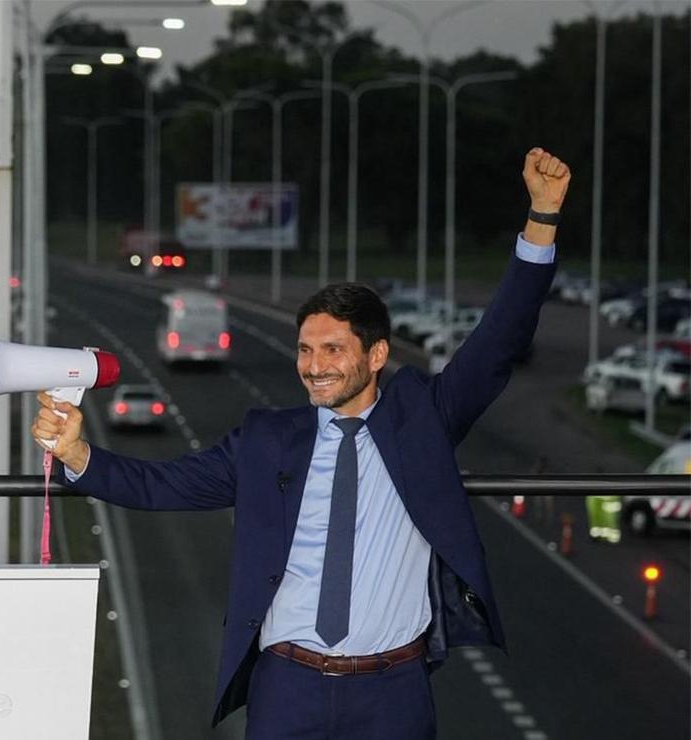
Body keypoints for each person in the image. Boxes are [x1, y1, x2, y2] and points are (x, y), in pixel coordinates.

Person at [32, 148, 570, 739]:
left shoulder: (423, 417)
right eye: (305, 350)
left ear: (377, 355)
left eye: (333, 350)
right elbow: (167, 485)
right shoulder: (266, 441)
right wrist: (79, 455)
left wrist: (540, 219)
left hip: (393, 691)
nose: (313, 367)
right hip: (287, 687)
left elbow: (499, 342)